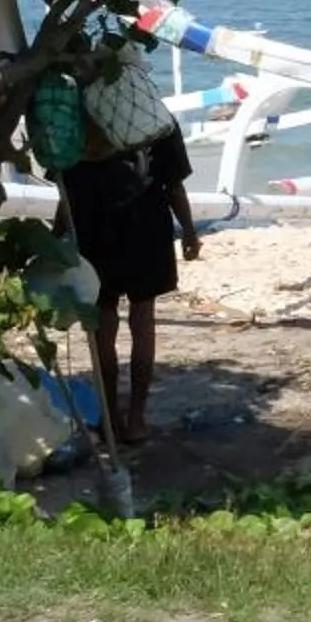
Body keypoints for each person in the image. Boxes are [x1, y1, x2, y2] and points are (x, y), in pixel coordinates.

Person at [55, 121, 198, 447]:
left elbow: (66, 191)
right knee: (142, 321)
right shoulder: (153, 115)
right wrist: (189, 231)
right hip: (146, 227)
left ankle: (111, 419)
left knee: (103, 325)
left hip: (94, 227)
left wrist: (56, 237)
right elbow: (173, 185)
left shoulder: (81, 116)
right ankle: (136, 419)